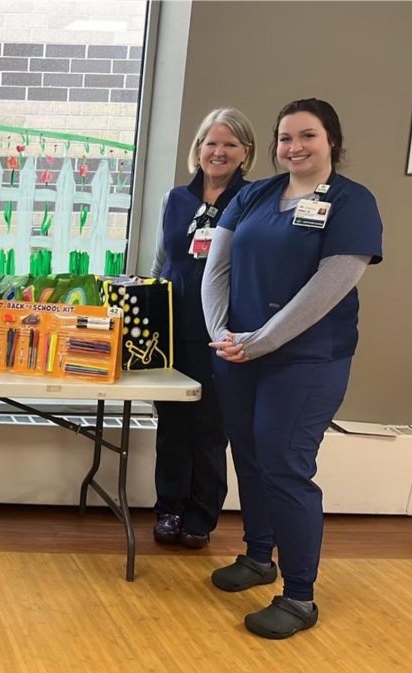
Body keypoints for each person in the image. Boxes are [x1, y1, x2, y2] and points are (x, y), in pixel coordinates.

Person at [201, 98, 383, 639]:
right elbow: (217, 267)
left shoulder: (352, 202)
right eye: (285, 137)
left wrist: (262, 341)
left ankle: (300, 597)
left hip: (306, 360)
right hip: (238, 353)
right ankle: (259, 557)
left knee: (284, 467)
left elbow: (330, 286)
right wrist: (222, 333)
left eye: (307, 136)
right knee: (249, 457)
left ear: (331, 141)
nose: (294, 147)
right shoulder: (254, 194)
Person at [149, 109, 256, 550]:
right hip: (172, 329)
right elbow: (161, 261)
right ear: (198, 149)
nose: (219, 152)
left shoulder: (253, 200)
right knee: (172, 425)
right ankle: (169, 509)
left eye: (230, 144)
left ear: (245, 152)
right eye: (211, 143)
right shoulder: (175, 199)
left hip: (219, 332)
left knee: (210, 429)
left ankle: (200, 515)